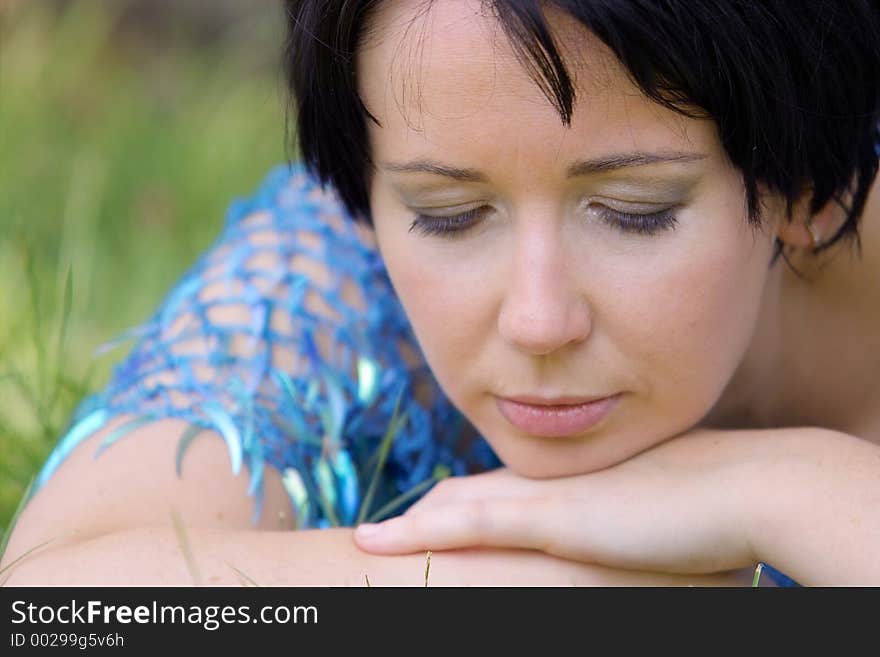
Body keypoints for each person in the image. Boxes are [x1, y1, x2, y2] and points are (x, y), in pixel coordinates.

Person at [2, 0, 879, 586]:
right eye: (450, 215)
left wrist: (794, 486)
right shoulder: (332, 274)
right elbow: (57, 606)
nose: (538, 320)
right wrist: (528, 573)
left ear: (804, 179)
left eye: (631, 212)